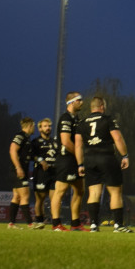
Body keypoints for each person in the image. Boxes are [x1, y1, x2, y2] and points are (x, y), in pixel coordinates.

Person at [75, 96, 132, 233]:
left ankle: (94, 225)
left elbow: (78, 145)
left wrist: (80, 165)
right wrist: (125, 155)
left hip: (89, 160)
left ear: (91, 107)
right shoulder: (108, 119)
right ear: (102, 106)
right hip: (106, 157)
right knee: (115, 191)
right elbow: (117, 138)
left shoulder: (81, 123)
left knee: (94, 192)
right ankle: (118, 225)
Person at [51, 92, 87, 232]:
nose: (82, 102)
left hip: (75, 161)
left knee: (79, 190)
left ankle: (75, 224)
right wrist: (79, 156)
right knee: (60, 191)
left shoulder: (76, 119)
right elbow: (66, 142)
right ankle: (56, 224)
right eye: (80, 100)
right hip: (65, 160)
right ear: (71, 102)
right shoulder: (65, 118)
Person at [7, 117, 36, 229]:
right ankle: (30, 223)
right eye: (33, 126)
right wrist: (18, 167)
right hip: (18, 171)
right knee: (25, 195)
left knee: (17, 197)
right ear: (30, 125)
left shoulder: (27, 138)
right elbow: (12, 149)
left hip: (18, 171)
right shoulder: (21, 136)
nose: (34, 128)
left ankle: (11, 224)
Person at [30, 117, 57, 230]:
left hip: (54, 173)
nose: (48, 128)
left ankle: (56, 222)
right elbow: (31, 155)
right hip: (41, 173)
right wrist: (41, 160)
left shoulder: (54, 142)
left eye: (49, 126)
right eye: (45, 126)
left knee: (55, 198)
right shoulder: (36, 142)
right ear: (40, 128)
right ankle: (39, 221)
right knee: (40, 199)